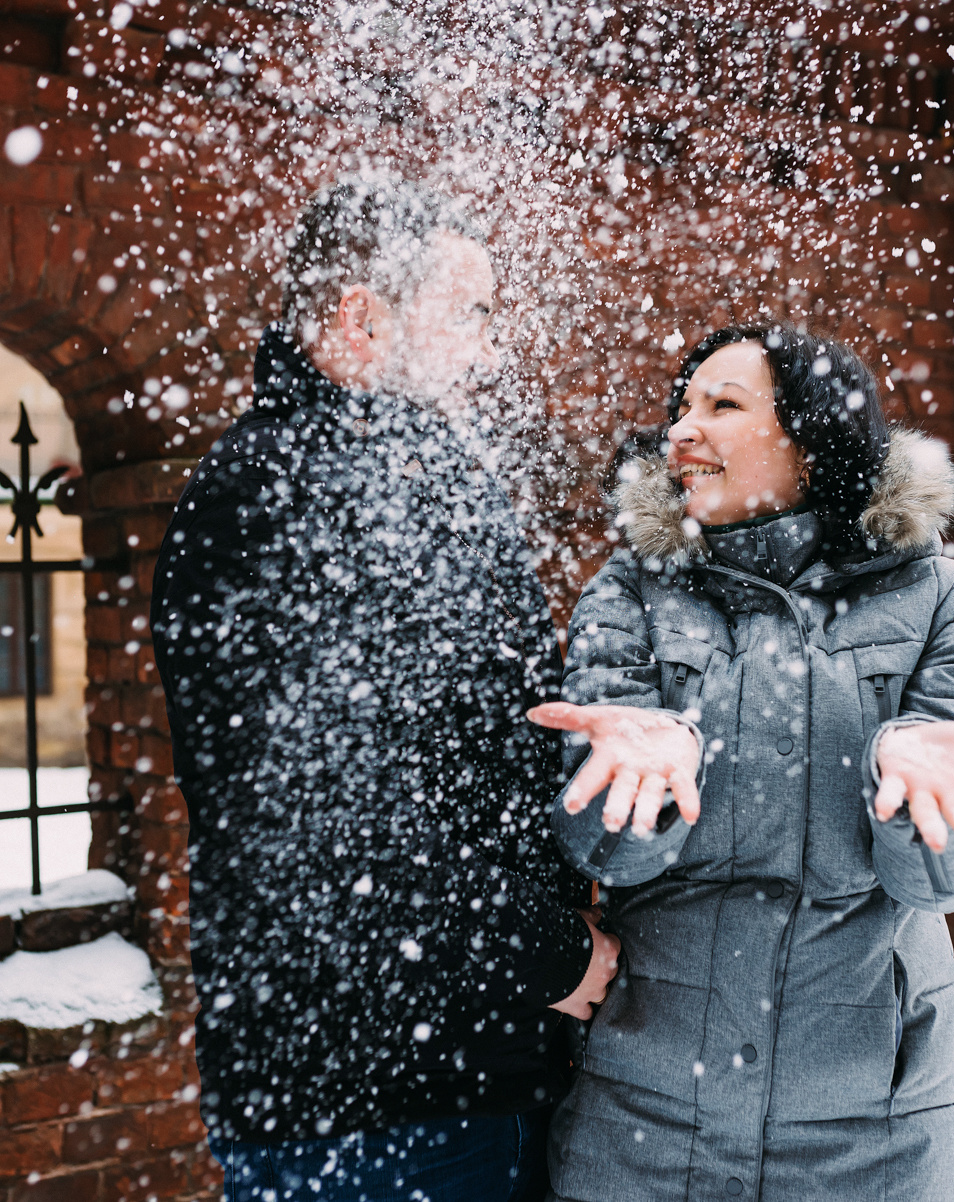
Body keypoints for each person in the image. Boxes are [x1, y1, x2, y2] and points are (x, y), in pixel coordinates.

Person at [150, 180, 641, 1201]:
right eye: (467, 312)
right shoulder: (283, 492)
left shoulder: (394, 473)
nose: (487, 350)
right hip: (379, 1099)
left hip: (445, 1071)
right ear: (360, 318)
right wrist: (550, 956)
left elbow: (460, 753)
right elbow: (326, 810)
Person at [529, 324, 954, 1201]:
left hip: (875, 1139)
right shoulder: (630, 591)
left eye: (722, 405)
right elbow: (598, 849)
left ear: (813, 440)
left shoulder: (936, 596)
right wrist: (643, 789)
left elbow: (951, 877)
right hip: (649, 1123)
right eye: (682, 407)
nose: (682, 431)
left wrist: (909, 787)